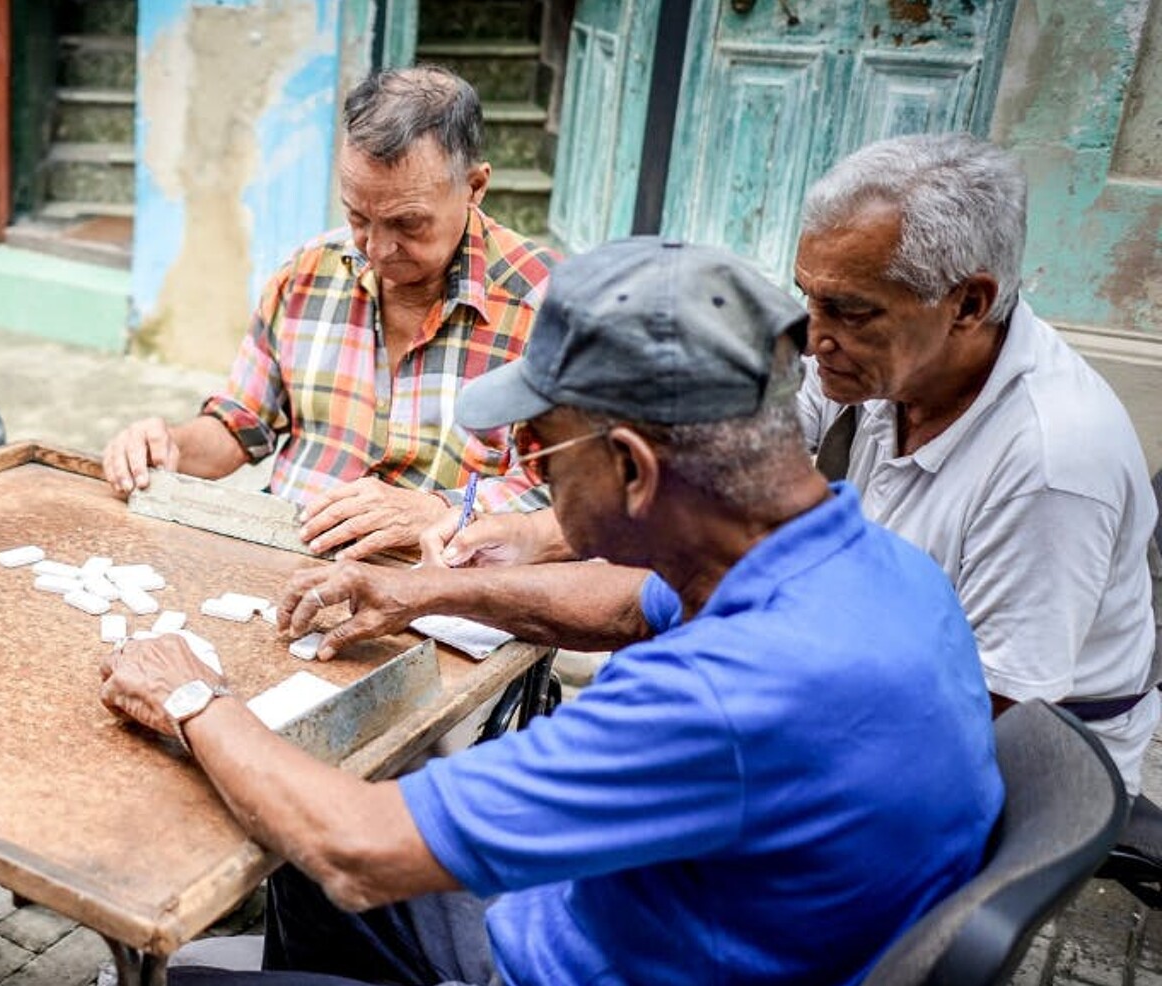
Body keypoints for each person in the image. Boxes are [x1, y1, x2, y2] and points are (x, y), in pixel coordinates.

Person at [100, 239, 1002, 985]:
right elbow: (630, 602)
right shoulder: (877, 571)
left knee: (255, 903)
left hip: (560, 960)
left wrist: (193, 697)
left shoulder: (712, 700)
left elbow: (357, 847)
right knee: (305, 853)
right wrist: (425, 589)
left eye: (539, 455)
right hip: (642, 922)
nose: (530, 477)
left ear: (633, 469)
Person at [432, 133, 1161, 794]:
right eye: (808, 299)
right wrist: (534, 536)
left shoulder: (1052, 463)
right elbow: (701, 477)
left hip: (986, 765)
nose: (814, 338)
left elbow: (986, 715)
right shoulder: (875, 362)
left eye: (849, 311)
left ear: (968, 304)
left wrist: (705, 752)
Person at [100, 66, 553, 561]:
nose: (376, 248)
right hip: (288, 556)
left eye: (408, 223)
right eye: (358, 217)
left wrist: (441, 510)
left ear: (475, 186)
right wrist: (168, 446)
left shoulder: (547, 306)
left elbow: (572, 502)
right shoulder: (308, 273)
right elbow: (242, 422)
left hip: (436, 584)